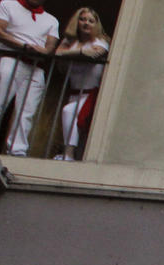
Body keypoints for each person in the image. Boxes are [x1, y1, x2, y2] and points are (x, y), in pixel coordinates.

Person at [0, 0, 59, 156]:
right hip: (10, 58)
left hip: (35, 67)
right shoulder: (8, 4)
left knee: (27, 112)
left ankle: (17, 150)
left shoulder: (51, 20)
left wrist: (41, 51)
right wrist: (25, 46)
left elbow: (49, 48)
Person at [52, 6, 109, 160]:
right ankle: (73, 154)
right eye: (83, 19)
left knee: (68, 112)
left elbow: (95, 55)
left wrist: (70, 53)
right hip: (74, 92)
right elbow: (57, 53)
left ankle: (69, 154)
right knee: (73, 124)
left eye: (91, 21)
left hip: (90, 93)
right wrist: (81, 52)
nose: (86, 23)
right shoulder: (69, 41)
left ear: (96, 25)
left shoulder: (101, 41)